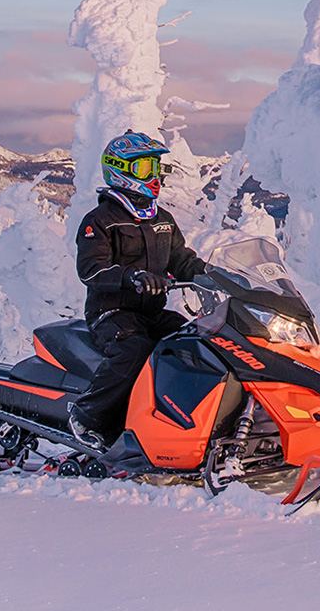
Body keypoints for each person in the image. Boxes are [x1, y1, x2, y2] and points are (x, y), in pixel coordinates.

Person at [66, 130, 207, 452]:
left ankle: (179, 420)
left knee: (200, 341)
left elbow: (181, 260)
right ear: (121, 170)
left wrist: (213, 276)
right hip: (111, 313)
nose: (154, 177)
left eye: (157, 169)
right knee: (134, 350)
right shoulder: (100, 221)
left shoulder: (163, 220)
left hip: (151, 312)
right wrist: (133, 276)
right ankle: (88, 417)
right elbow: (91, 268)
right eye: (146, 169)